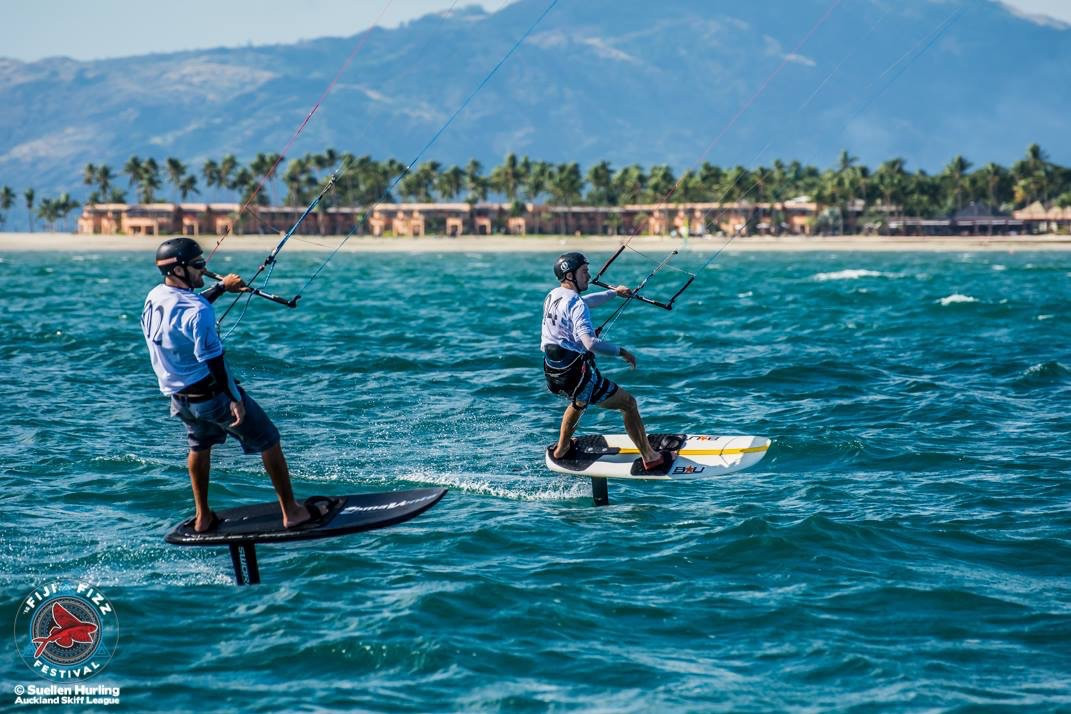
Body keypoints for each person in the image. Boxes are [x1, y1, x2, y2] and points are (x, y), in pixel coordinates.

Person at [142, 237, 328, 532]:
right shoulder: (198, 311)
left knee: (200, 445)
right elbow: (213, 360)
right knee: (269, 439)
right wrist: (233, 398)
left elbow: (186, 313)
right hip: (212, 396)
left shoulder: (156, 296)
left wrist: (221, 288)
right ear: (178, 270)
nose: (204, 270)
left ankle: (203, 517)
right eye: (198, 265)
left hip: (180, 400)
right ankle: (291, 512)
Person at [541, 252, 673, 472]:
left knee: (578, 403)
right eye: (584, 272)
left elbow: (584, 302)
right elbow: (590, 343)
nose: (588, 275)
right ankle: (650, 457)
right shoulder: (575, 304)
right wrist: (622, 352)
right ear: (570, 275)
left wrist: (613, 293)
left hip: (554, 371)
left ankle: (563, 448)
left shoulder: (554, 295)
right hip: (577, 374)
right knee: (628, 404)